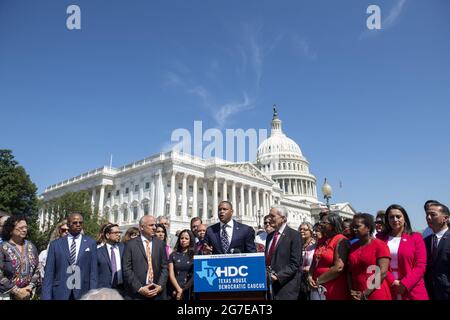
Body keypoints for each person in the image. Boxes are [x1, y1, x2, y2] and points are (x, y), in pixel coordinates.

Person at [377, 204, 428, 300]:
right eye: (391, 217)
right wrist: (392, 281)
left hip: (413, 288)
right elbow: (377, 263)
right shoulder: (380, 239)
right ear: (387, 220)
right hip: (389, 287)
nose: (395, 219)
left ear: (405, 218)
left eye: (398, 216)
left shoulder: (416, 237)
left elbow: (421, 265)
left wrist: (405, 283)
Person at [42, 213, 98, 300]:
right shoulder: (56, 244)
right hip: (60, 292)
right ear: (68, 225)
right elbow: (49, 273)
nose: (78, 225)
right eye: (75, 222)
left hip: (83, 292)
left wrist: (94, 295)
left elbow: (93, 272)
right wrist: (46, 297)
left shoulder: (91, 243)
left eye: (80, 222)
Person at [122, 215, 168, 300]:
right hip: (136, 293)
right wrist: (139, 288)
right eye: (151, 225)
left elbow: (164, 267)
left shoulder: (160, 244)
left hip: (157, 292)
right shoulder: (130, 245)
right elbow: (126, 269)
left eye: (155, 225)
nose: (154, 227)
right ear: (141, 227)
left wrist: (160, 286)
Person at [348, 213, 391, 300]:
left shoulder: (380, 245)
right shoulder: (352, 246)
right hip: (357, 295)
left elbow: (383, 272)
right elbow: (349, 271)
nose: (354, 229)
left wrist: (366, 293)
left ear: (368, 228)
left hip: (376, 293)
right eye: (353, 227)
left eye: (357, 226)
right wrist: (351, 290)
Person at [308, 213, 350, 300]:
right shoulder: (322, 240)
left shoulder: (341, 240)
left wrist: (319, 280)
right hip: (317, 287)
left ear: (332, 225)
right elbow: (315, 260)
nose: (320, 224)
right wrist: (310, 276)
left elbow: (338, 267)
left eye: (324, 223)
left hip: (333, 287)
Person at [265, 206, 302, 300]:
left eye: (272, 216)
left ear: (283, 218)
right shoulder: (269, 237)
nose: (269, 218)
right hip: (269, 287)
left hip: (286, 287)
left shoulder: (294, 235)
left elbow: (295, 263)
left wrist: (278, 276)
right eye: (269, 215)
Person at [0, 215, 40, 300]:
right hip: (6, 295)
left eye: (25, 227)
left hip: (26, 294)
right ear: (11, 230)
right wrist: (16, 291)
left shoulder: (31, 246)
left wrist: (29, 288)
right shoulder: (2, 248)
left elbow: (37, 269)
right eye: (21, 228)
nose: (25, 230)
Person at [424, 202, 450, 300]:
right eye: (427, 215)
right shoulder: (425, 241)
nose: (428, 218)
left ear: (445, 218)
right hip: (430, 293)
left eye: (433, 215)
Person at [97, 224, 124, 294]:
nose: (119, 235)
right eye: (116, 233)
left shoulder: (124, 248)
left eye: (119, 232)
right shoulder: (98, 252)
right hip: (104, 290)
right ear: (107, 235)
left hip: (122, 289)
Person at [168, 229, 195, 300]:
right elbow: (171, 274)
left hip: (189, 289)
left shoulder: (195, 255)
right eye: (181, 238)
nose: (183, 240)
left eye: (186, 238)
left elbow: (195, 274)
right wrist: (178, 289)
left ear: (191, 240)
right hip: (174, 289)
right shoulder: (173, 255)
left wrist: (183, 290)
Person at [298, 222, 315, 300]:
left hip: (311, 278)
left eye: (305, 229)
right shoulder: (298, 244)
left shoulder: (314, 244)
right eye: (300, 229)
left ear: (311, 231)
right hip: (299, 278)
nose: (302, 231)